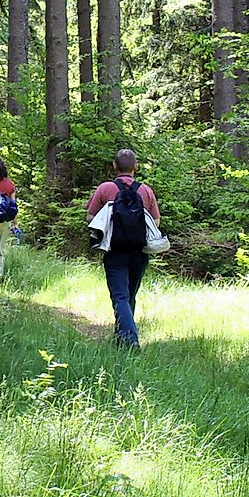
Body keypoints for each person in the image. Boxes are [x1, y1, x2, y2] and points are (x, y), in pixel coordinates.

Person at [87, 149, 162, 349]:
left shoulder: (105, 188)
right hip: (140, 251)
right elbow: (155, 220)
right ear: (135, 167)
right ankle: (122, 338)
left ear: (114, 165)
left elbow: (90, 217)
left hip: (115, 250)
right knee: (129, 296)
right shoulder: (145, 191)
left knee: (119, 296)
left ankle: (130, 339)